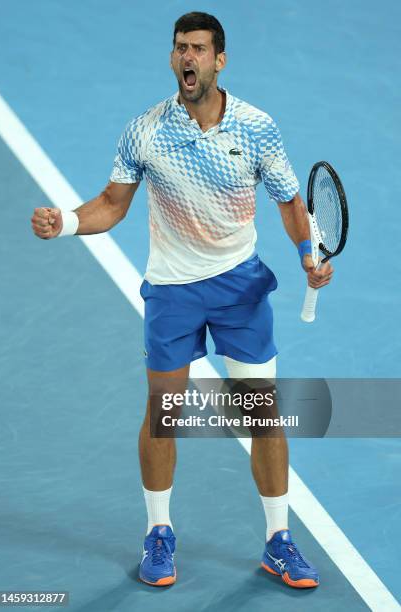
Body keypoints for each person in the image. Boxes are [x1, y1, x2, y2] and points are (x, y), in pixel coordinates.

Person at [31, 11, 333, 590]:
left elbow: (292, 201)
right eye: (178, 49)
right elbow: (112, 203)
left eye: (197, 48)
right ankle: (159, 533)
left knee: (262, 416)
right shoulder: (145, 130)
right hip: (172, 290)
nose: (186, 58)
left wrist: (306, 253)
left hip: (239, 286)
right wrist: (66, 222)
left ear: (220, 60)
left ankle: (279, 540)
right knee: (164, 415)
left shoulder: (256, 128)